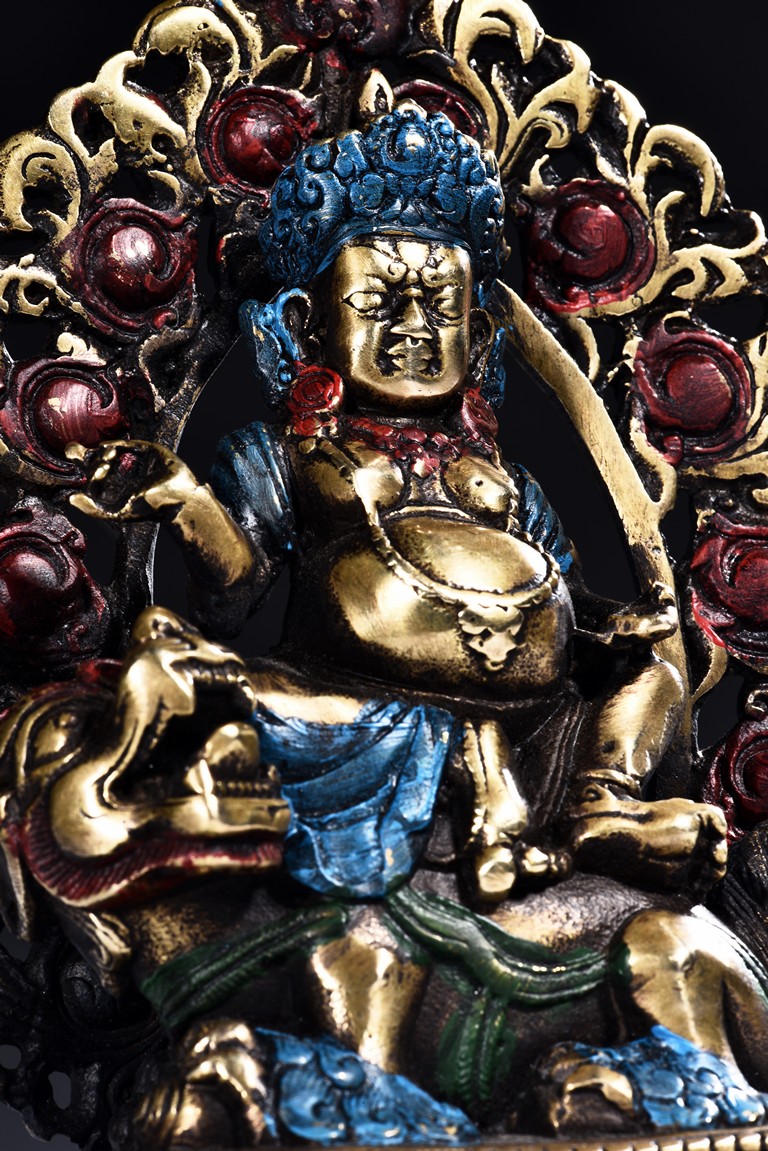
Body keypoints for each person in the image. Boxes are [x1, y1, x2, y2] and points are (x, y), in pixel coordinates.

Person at [56, 105, 768, 1139]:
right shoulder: (292, 456)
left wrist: (617, 631)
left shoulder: (499, 476)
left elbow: (564, 597)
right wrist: (190, 504)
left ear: (481, 332)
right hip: (357, 711)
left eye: (441, 306)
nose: (414, 328)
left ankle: (604, 803)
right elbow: (235, 590)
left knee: (651, 673)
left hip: (531, 731)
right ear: (306, 325)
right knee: (211, 688)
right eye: (380, 301)